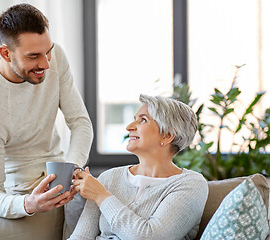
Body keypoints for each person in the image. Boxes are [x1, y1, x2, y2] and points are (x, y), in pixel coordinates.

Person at [0, 3, 93, 220]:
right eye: (34, 56)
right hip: (22, 193)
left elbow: (81, 123)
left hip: (62, 175)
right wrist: (29, 204)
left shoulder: (57, 58)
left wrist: (71, 169)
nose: (45, 63)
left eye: (48, 51)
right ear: (6, 53)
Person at [69, 95, 209, 240]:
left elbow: (151, 237)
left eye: (143, 120)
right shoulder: (109, 178)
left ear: (167, 135)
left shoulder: (191, 184)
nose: (129, 127)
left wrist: (101, 196)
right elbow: (80, 237)